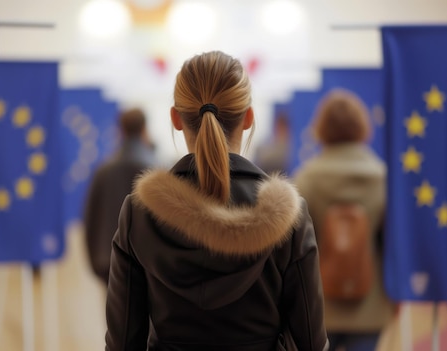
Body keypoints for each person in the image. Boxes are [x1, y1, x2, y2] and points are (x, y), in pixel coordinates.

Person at [105, 51, 328, 351]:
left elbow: (122, 343)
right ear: (249, 118)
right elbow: (311, 342)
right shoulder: (289, 214)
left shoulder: (139, 213)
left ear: (176, 118)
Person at [293, 89, 395, 351]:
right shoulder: (384, 178)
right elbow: (394, 246)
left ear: (321, 127)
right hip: (370, 306)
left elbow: (293, 247)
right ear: (362, 126)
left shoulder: (305, 179)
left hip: (318, 307)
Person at [83, 107, 157, 284]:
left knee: (113, 310)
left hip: (108, 260)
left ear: (120, 130)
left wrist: (95, 260)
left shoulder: (103, 171)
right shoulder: (155, 171)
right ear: (144, 129)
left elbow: (90, 218)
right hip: (147, 263)